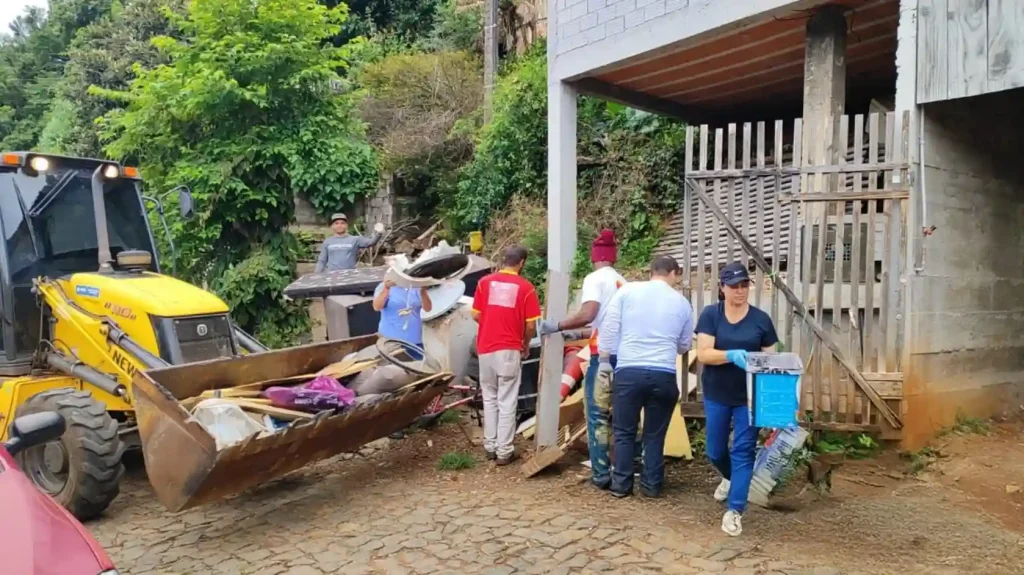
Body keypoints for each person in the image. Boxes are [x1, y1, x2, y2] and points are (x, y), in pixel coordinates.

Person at [597, 255, 693, 498]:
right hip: (663, 374)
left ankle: (621, 485)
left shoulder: (628, 291)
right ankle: (651, 486)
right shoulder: (682, 303)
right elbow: (683, 345)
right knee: (654, 433)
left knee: (624, 431)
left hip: (629, 371)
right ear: (673, 273)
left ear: (651, 272)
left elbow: (609, 327)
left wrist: (605, 361)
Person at [537, 229, 625, 490]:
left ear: (594, 257)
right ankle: (622, 470)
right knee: (619, 415)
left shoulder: (595, 279)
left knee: (596, 414)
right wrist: (576, 332)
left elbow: (589, 312)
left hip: (602, 356)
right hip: (624, 356)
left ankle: (600, 475)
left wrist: (558, 325)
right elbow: (603, 322)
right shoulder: (622, 282)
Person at [695, 261, 779, 537]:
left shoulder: (760, 320)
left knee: (742, 452)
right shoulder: (711, 315)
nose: (740, 291)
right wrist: (730, 355)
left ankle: (735, 510)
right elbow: (704, 353)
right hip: (717, 393)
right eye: (734, 286)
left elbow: (772, 358)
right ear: (722, 288)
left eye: (744, 285)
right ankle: (730, 479)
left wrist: (773, 396)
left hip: (749, 397)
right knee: (715, 450)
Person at [471, 247, 542, 465]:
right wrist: (525, 342)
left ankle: (489, 446)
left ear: (503, 260)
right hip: (509, 349)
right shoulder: (527, 288)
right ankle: (504, 451)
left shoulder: (485, 283)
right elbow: (531, 325)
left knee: (490, 398)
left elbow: (475, 314)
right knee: (507, 400)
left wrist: (492, 325)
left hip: (485, 348)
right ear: (521, 263)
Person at [372, 279, 433, 360]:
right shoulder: (383, 286)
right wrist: (386, 289)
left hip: (414, 341)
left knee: (415, 368)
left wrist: (423, 292)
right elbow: (377, 307)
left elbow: (428, 308)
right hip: (391, 340)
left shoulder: (416, 288)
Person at [314, 213, 385, 273]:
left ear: (346, 225)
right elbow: (322, 261)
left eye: (342, 223)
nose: (339, 225)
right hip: (331, 275)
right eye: (336, 223)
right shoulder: (328, 241)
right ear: (332, 226)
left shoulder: (354, 239)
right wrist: (316, 276)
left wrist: (379, 233)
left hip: (349, 274)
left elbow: (371, 242)